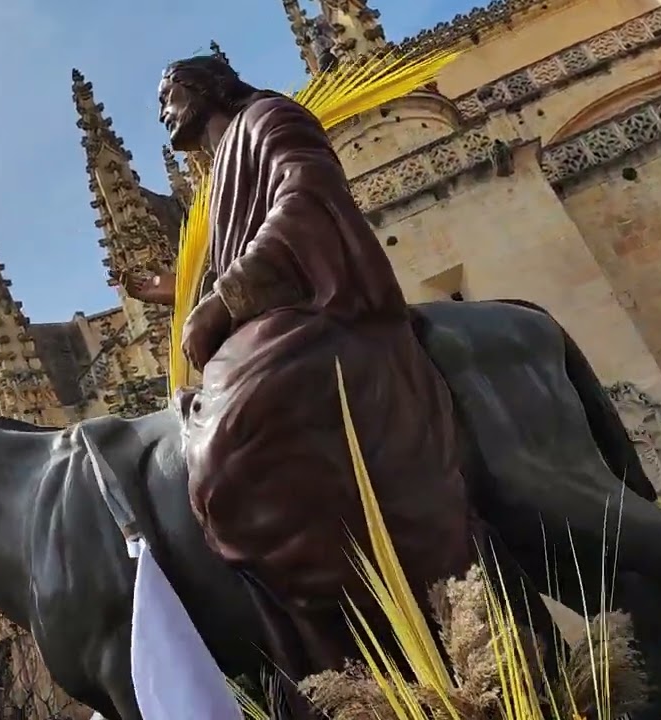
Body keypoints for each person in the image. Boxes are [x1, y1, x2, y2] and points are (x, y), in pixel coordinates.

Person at [130, 54, 475, 717]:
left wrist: (225, 298)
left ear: (207, 89)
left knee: (236, 429)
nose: (163, 111)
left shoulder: (269, 118)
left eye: (170, 94)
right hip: (268, 311)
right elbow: (239, 250)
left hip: (324, 305)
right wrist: (184, 293)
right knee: (201, 418)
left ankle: (338, 572)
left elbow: (306, 197)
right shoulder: (218, 169)